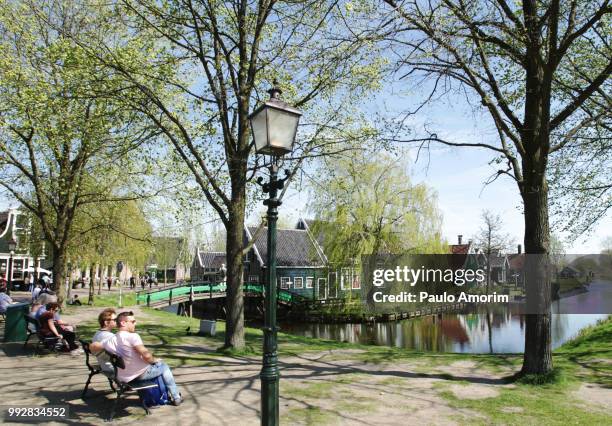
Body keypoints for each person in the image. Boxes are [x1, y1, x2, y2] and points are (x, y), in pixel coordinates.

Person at [92, 311, 182, 405]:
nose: (135, 323)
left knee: (157, 365)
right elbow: (147, 356)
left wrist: (95, 346)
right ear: (123, 323)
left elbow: (93, 346)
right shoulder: (133, 336)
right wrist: (154, 360)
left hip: (123, 377)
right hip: (139, 375)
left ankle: (168, 395)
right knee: (163, 366)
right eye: (133, 321)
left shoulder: (112, 339)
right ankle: (176, 397)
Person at [92, 308, 117, 374]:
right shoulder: (111, 337)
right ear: (106, 322)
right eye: (115, 320)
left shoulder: (97, 333)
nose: (117, 321)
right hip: (113, 369)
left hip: (104, 366)